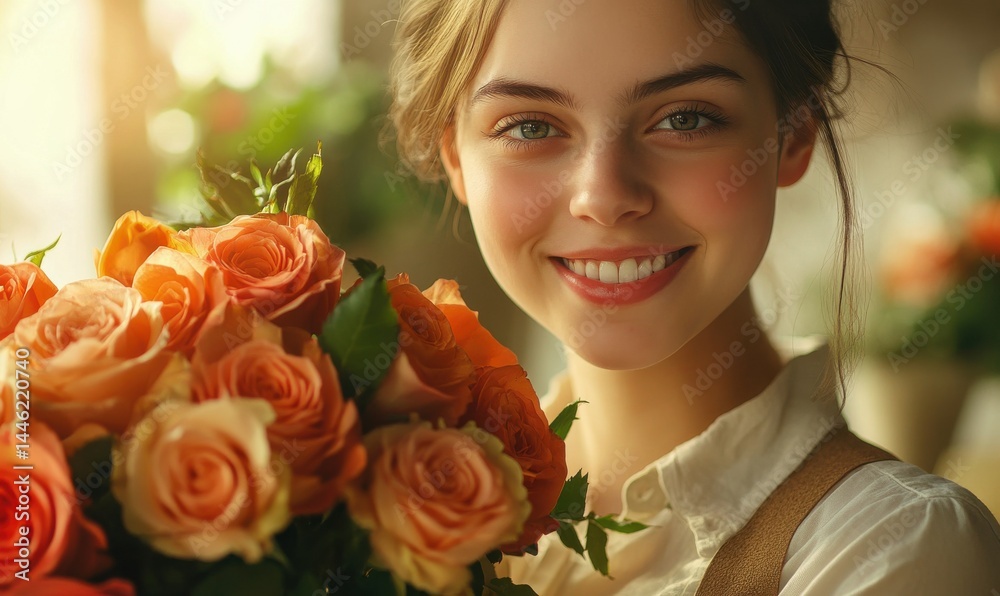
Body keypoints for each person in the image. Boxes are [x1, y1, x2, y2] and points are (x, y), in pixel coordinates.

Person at [385, 0, 1000, 593]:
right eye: (530, 126)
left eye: (685, 118)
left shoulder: (893, 549)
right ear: (456, 158)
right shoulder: (377, 507)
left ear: (793, 133)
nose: (603, 195)